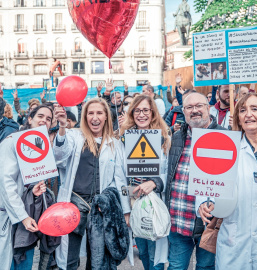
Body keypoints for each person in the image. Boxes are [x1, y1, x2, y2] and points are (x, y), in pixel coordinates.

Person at [53, 98, 131, 270]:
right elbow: (59, 156)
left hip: (100, 209)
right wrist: (62, 128)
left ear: (106, 117)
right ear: (85, 117)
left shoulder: (115, 144)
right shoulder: (74, 136)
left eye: (99, 113)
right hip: (74, 206)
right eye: (90, 113)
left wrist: (125, 211)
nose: (95, 117)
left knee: (98, 259)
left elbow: (119, 180)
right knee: (68, 259)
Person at [199, 93, 257, 269]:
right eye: (243, 110)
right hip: (235, 242)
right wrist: (205, 204)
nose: (248, 114)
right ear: (237, 117)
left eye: (254, 109)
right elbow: (210, 186)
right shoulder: (226, 149)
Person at [166, 92, 225, 270]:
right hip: (178, 221)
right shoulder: (175, 138)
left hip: (209, 223)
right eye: (189, 107)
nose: (195, 111)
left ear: (208, 107)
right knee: (175, 267)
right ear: (183, 111)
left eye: (199, 106)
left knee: (206, 268)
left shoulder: (225, 138)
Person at [120, 95, 171, 270]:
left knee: (156, 254)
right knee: (143, 252)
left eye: (146, 110)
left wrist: (155, 183)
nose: (142, 114)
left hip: (156, 201)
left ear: (153, 113)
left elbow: (169, 172)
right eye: (137, 110)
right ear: (132, 113)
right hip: (134, 202)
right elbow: (120, 175)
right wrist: (126, 209)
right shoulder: (124, 139)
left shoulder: (165, 138)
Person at [0, 105, 52, 269]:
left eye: (49, 119)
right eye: (40, 116)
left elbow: (25, 184)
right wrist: (22, 216)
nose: (44, 120)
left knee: (25, 262)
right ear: (30, 119)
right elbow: (6, 183)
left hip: (28, 216)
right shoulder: (11, 142)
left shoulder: (40, 147)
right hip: (12, 216)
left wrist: (35, 193)